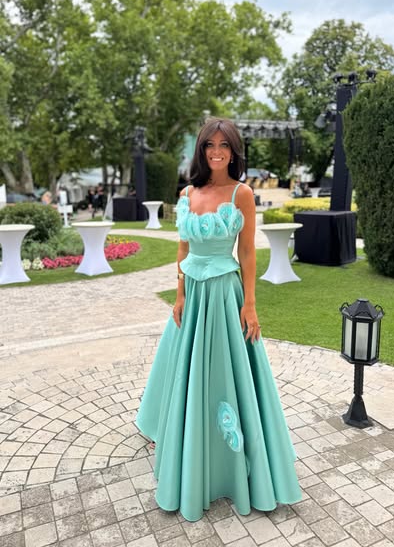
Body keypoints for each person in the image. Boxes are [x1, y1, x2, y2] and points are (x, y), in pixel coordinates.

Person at [135, 117, 301, 522]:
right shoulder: (188, 192)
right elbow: (183, 248)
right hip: (193, 295)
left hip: (225, 296)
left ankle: (232, 466)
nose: (216, 152)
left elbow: (247, 253)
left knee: (227, 374)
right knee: (187, 374)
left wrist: (250, 304)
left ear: (234, 150)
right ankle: (186, 448)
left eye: (224, 145)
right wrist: (178, 293)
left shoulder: (242, 194)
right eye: (210, 145)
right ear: (201, 150)